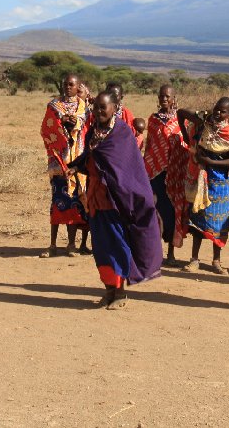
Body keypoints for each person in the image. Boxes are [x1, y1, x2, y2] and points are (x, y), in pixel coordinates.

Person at [69, 91, 163, 309]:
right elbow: (92, 157)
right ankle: (108, 290)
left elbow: (126, 169)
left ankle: (120, 292)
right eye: (96, 108)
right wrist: (76, 165)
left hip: (115, 201)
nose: (99, 112)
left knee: (116, 246)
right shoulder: (95, 131)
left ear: (115, 107)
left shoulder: (121, 133)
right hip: (96, 199)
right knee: (100, 247)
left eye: (104, 108)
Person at [177, 97, 229, 274]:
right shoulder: (203, 120)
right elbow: (181, 112)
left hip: (221, 182)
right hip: (202, 177)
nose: (218, 113)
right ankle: (194, 260)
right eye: (217, 109)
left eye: (223, 111)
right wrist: (186, 137)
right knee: (198, 219)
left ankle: (216, 261)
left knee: (218, 224)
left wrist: (210, 160)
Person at [40, 73, 90, 257]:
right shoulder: (53, 105)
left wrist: (75, 121)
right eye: (65, 84)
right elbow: (46, 128)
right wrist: (61, 121)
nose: (67, 87)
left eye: (71, 84)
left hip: (76, 162)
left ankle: (71, 245)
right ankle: (52, 245)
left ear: (78, 87)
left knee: (75, 202)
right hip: (58, 162)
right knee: (56, 202)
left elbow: (86, 128)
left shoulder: (83, 107)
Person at [143, 84, 183, 267]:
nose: (164, 99)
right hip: (154, 173)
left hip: (174, 174)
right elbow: (150, 145)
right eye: (161, 96)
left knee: (172, 212)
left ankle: (171, 253)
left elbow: (184, 146)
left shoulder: (180, 121)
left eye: (167, 96)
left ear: (174, 99)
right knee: (154, 211)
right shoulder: (153, 120)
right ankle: (155, 252)